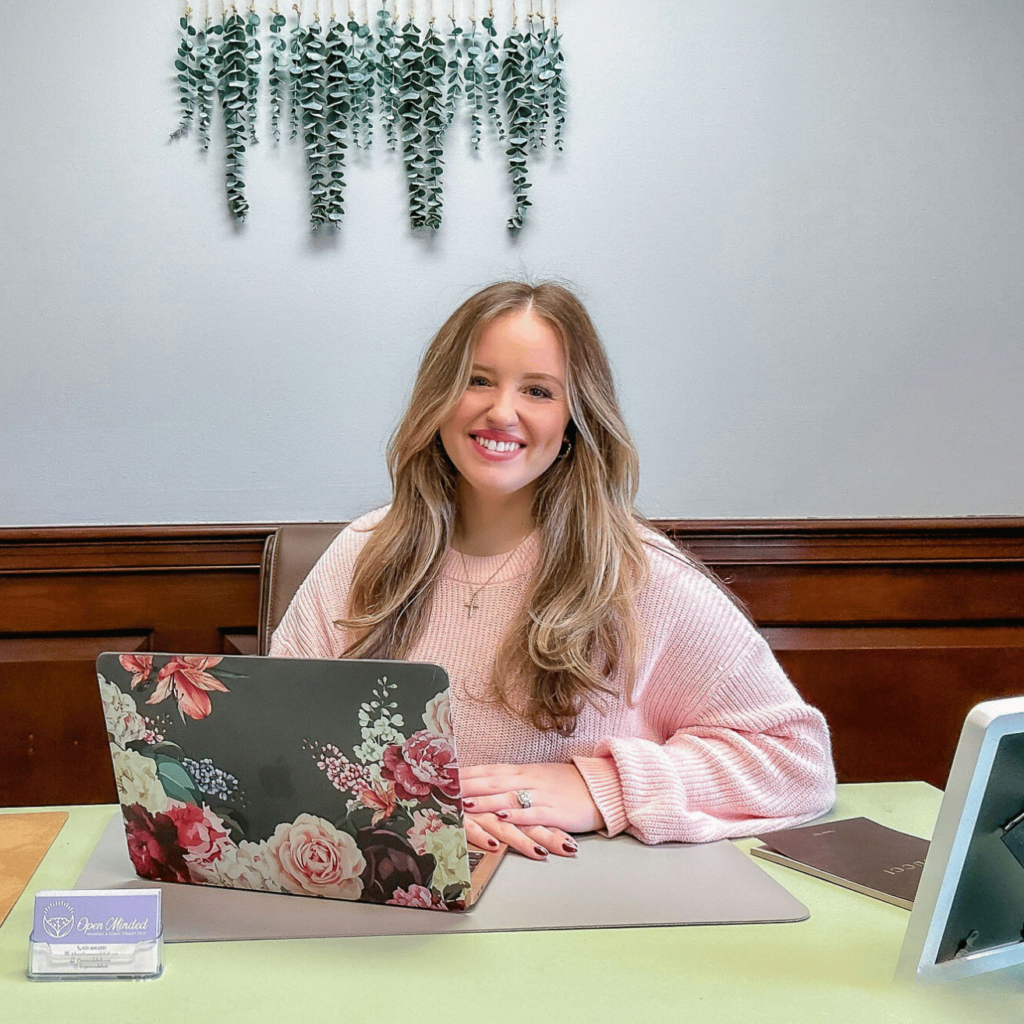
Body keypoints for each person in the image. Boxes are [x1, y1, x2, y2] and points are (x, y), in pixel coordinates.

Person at [271, 281, 835, 861]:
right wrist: (411, 817)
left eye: (538, 391)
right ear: (437, 396)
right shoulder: (362, 550)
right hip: (386, 895)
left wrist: (601, 786)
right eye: (478, 379)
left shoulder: (642, 577)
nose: (501, 411)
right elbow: (271, 738)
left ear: (575, 420)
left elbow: (796, 759)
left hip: (581, 902)